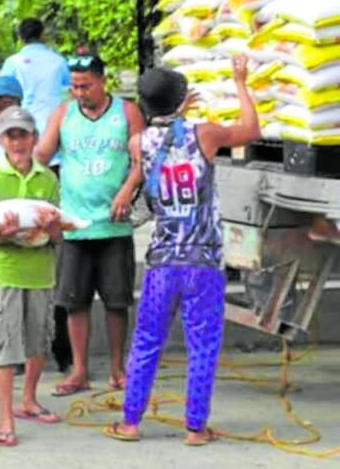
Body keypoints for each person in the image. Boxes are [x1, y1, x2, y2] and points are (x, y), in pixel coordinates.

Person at [104, 55, 259, 446]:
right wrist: (240, 82)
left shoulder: (139, 142)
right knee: (202, 345)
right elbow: (250, 130)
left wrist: (174, 111)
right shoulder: (205, 134)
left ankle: (130, 422)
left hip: (162, 262)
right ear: (181, 98)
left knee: (146, 340)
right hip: (202, 262)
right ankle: (195, 427)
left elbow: (153, 158)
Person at [35, 51, 145, 396]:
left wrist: (126, 191)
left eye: (86, 86)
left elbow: (142, 159)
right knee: (74, 301)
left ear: (102, 81)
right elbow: (41, 156)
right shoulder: (63, 114)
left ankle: (117, 368)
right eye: (74, 87)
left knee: (117, 300)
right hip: (75, 224)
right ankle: (79, 370)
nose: (80, 92)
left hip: (114, 223)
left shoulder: (126, 112)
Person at [0, 106, 64, 447]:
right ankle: (5, 417)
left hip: (40, 271)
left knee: (39, 339)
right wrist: (1, 233)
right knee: (4, 344)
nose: (17, 142)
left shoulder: (48, 179)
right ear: (0, 140)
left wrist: (51, 228)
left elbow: (59, 236)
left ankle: (29, 399)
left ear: (34, 138)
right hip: (4, 269)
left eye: (23, 135)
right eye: (10, 135)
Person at [0, 18, 70, 143]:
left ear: (20, 38)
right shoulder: (59, 61)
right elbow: (71, 89)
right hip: (55, 126)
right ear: (42, 35)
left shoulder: (13, 62)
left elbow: (1, 94)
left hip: (21, 127)